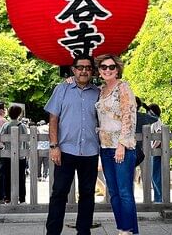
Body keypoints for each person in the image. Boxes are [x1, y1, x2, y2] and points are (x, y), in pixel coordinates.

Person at [45, 55, 101, 235]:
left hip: (90, 151)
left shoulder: (98, 93)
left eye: (88, 68)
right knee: (59, 193)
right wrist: (54, 146)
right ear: (73, 70)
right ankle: (53, 232)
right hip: (65, 150)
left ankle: (83, 232)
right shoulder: (62, 89)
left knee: (87, 194)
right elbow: (53, 118)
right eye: (80, 67)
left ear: (92, 71)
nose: (84, 71)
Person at [95, 54, 139, 235]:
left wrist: (122, 144)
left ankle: (127, 230)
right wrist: (69, 80)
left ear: (117, 69)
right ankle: (124, 228)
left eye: (111, 67)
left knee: (124, 191)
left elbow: (129, 116)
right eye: (103, 67)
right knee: (113, 192)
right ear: (99, 70)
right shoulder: (100, 91)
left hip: (121, 147)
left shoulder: (123, 88)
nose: (107, 70)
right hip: (105, 148)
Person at [0, 104, 28, 203]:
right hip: (21, 155)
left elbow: (1, 139)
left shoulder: (6, 125)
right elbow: (27, 140)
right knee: (21, 177)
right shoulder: (23, 126)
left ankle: (7, 197)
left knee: (7, 177)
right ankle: (22, 198)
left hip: (7, 155)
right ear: (19, 114)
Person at [147, 103, 164, 203]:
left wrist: (152, 148)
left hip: (156, 152)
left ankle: (158, 199)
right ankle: (158, 198)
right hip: (154, 152)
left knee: (156, 175)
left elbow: (159, 136)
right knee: (154, 175)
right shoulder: (154, 121)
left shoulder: (156, 120)